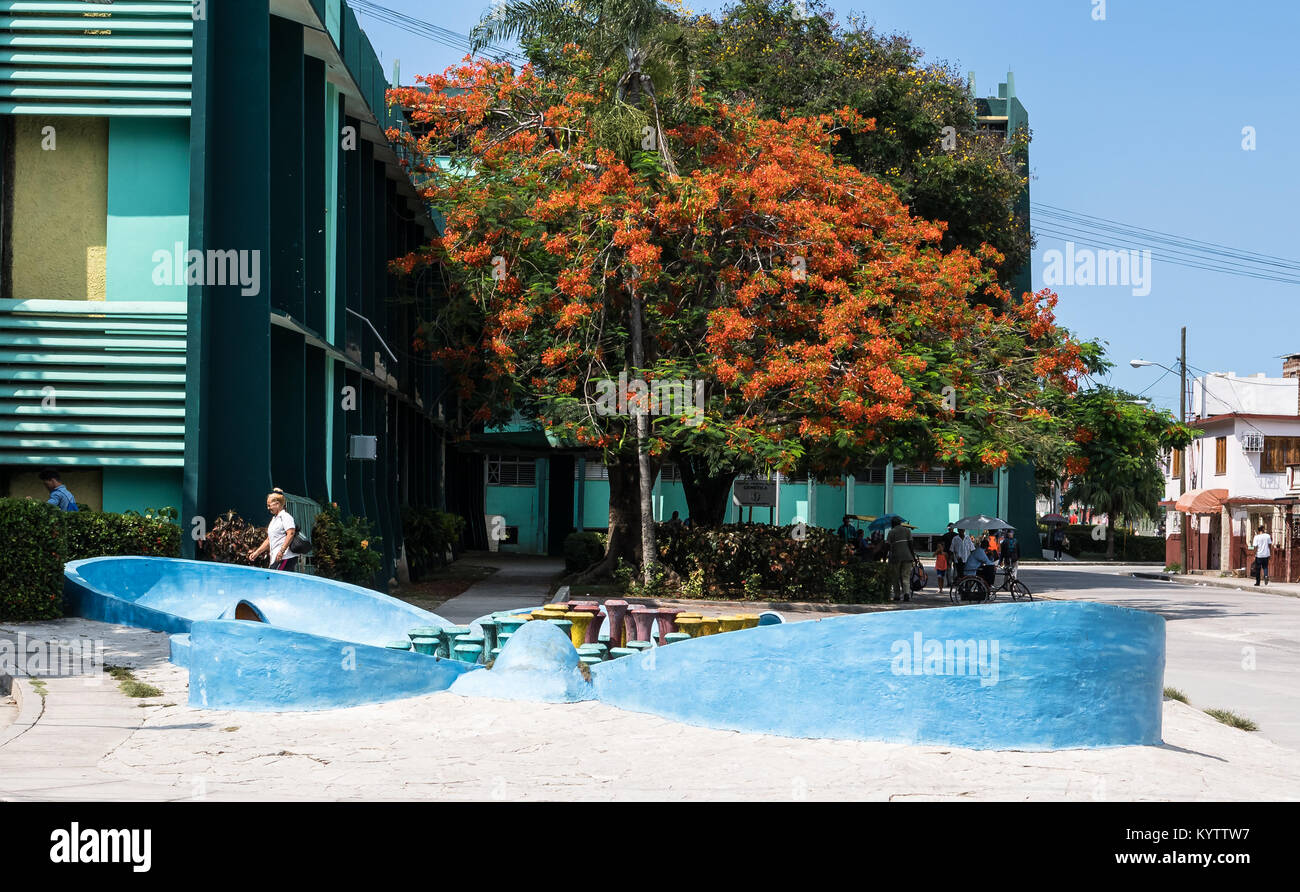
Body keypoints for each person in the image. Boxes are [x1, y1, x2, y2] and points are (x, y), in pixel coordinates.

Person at [247, 489, 299, 571]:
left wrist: (282, 551)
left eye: (269, 505)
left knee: (277, 580)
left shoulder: (285, 517)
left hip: (285, 557)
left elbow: (291, 533)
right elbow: (269, 540)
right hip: (276, 557)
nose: (268, 508)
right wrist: (257, 553)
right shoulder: (274, 519)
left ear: (277, 504)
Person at [886, 517, 917, 602]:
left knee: (895, 577)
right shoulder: (907, 531)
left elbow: (887, 545)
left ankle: (897, 595)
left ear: (893, 523)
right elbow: (911, 544)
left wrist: (886, 557)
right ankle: (906, 593)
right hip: (908, 557)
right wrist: (913, 557)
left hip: (895, 557)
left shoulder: (891, 532)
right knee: (905, 576)